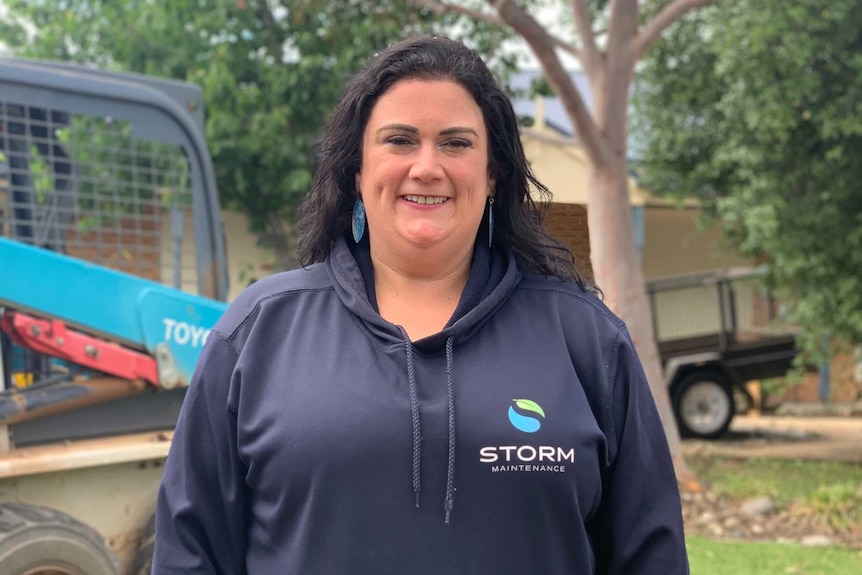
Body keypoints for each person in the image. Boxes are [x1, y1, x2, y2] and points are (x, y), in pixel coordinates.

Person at [152, 34, 688, 574]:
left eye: (455, 143)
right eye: (400, 140)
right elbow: (189, 555)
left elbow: (651, 558)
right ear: (357, 171)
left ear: (492, 173)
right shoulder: (258, 332)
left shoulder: (587, 340)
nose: (427, 166)